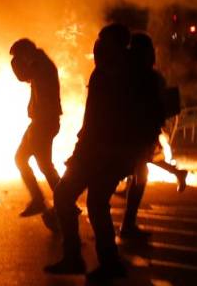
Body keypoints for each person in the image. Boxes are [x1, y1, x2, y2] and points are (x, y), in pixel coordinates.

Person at [46, 24, 145, 281]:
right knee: (94, 203)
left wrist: (81, 151)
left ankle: (78, 258)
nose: (98, 46)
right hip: (114, 153)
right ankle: (104, 261)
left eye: (103, 42)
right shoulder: (127, 74)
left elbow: (97, 121)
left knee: (66, 195)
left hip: (100, 152)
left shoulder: (108, 75)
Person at [120, 32, 188, 240]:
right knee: (139, 167)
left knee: (140, 169)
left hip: (141, 130)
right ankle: (176, 173)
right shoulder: (146, 75)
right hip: (140, 130)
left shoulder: (143, 76)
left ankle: (128, 224)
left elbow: (149, 104)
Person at [9, 38, 62, 218]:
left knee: (43, 165)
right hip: (41, 121)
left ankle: (63, 200)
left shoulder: (40, 64)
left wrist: (15, 65)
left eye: (19, 57)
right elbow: (26, 76)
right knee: (26, 160)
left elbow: (23, 76)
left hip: (43, 122)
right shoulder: (41, 63)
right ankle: (48, 199)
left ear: (25, 53)